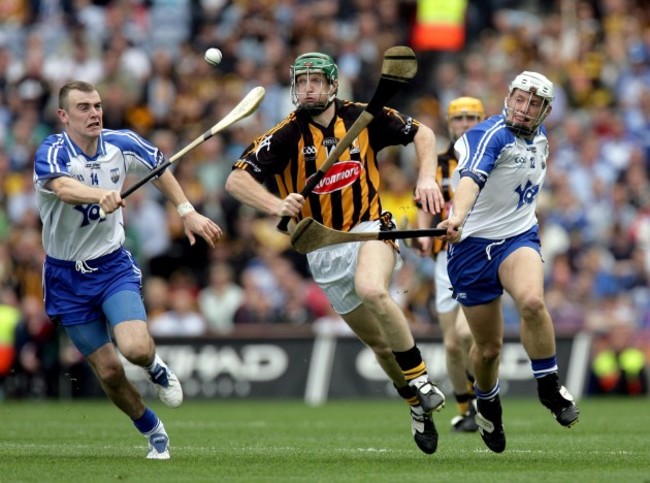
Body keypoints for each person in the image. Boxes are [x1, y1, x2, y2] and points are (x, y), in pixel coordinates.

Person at [225, 52, 447, 454]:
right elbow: (236, 180)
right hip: (323, 247)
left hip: (369, 229)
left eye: (315, 80)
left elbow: (424, 134)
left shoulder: (365, 115)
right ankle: (416, 405)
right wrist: (276, 205)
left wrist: (427, 176)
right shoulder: (286, 134)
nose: (307, 87)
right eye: (302, 80)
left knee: (373, 290)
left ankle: (422, 379)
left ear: (332, 85)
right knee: (379, 345)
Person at [33, 80, 223, 459]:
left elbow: (160, 167)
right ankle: (152, 428)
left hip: (111, 266)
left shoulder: (122, 143)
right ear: (63, 116)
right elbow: (63, 188)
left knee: (134, 349)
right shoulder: (52, 151)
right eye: (83, 107)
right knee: (109, 371)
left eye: (98, 105)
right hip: (65, 278)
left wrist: (186, 211)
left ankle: (155, 367)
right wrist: (98, 195)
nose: (94, 113)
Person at [440, 71, 580, 453]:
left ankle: (549, 388)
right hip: (471, 249)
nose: (524, 108)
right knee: (488, 350)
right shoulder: (488, 135)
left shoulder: (541, 138)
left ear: (545, 111)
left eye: (534, 103)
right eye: (520, 99)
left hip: (518, 238)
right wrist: (457, 216)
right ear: (508, 97)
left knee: (533, 302)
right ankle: (486, 402)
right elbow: (470, 179)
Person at [415, 97, 486, 433]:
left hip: (480, 253)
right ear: (449, 123)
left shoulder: (492, 157)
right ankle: (466, 407)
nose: (466, 124)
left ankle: (486, 397)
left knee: (466, 334)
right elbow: (423, 202)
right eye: (459, 118)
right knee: (451, 344)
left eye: (472, 117)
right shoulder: (438, 163)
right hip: (446, 258)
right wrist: (423, 233)